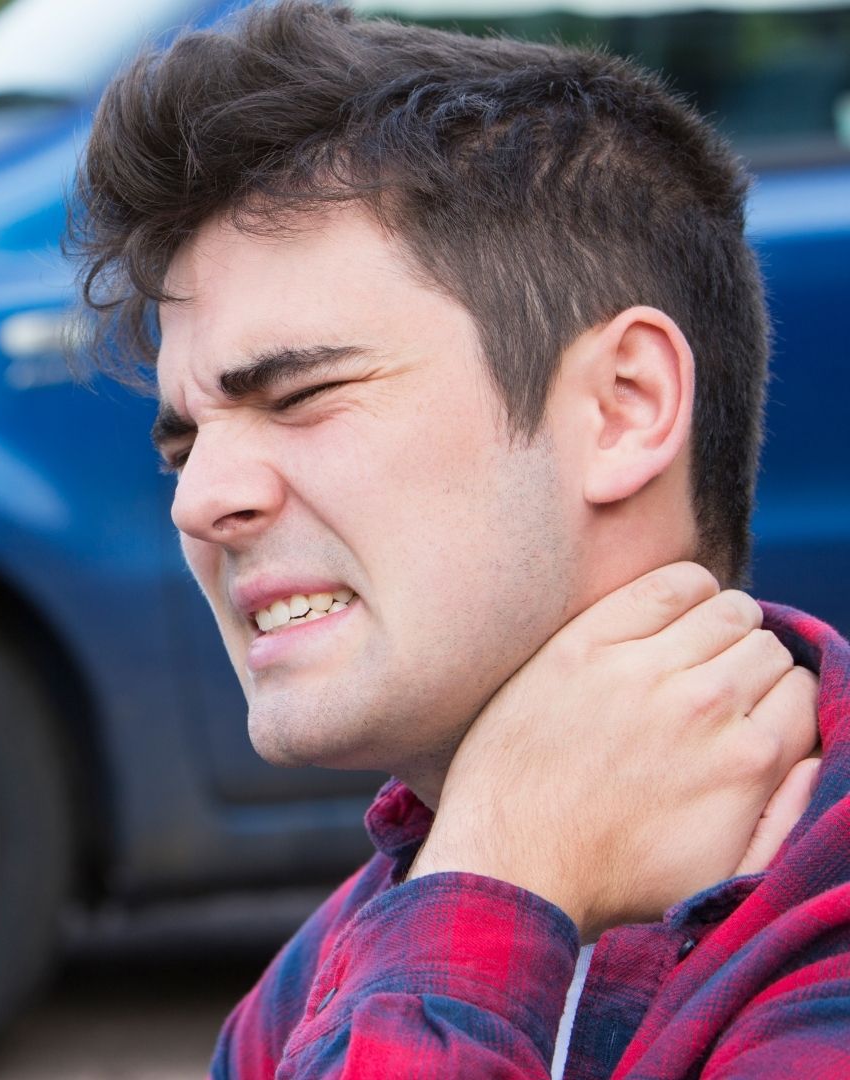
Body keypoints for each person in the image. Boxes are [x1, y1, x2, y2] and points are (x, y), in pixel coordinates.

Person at [70, 3, 849, 1076]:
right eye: (183, 446)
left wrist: (500, 866)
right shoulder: (319, 980)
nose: (200, 501)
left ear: (624, 405)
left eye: (301, 394)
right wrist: (499, 861)